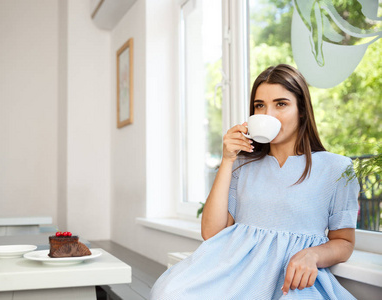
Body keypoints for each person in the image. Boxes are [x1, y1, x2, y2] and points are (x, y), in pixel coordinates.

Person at [150, 64, 359, 299]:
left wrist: (312, 255)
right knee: (169, 292)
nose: (268, 115)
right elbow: (211, 232)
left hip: (293, 282)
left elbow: (344, 242)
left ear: (302, 110)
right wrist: (228, 159)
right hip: (234, 273)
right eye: (260, 106)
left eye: (281, 104)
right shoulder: (242, 165)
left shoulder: (337, 169)